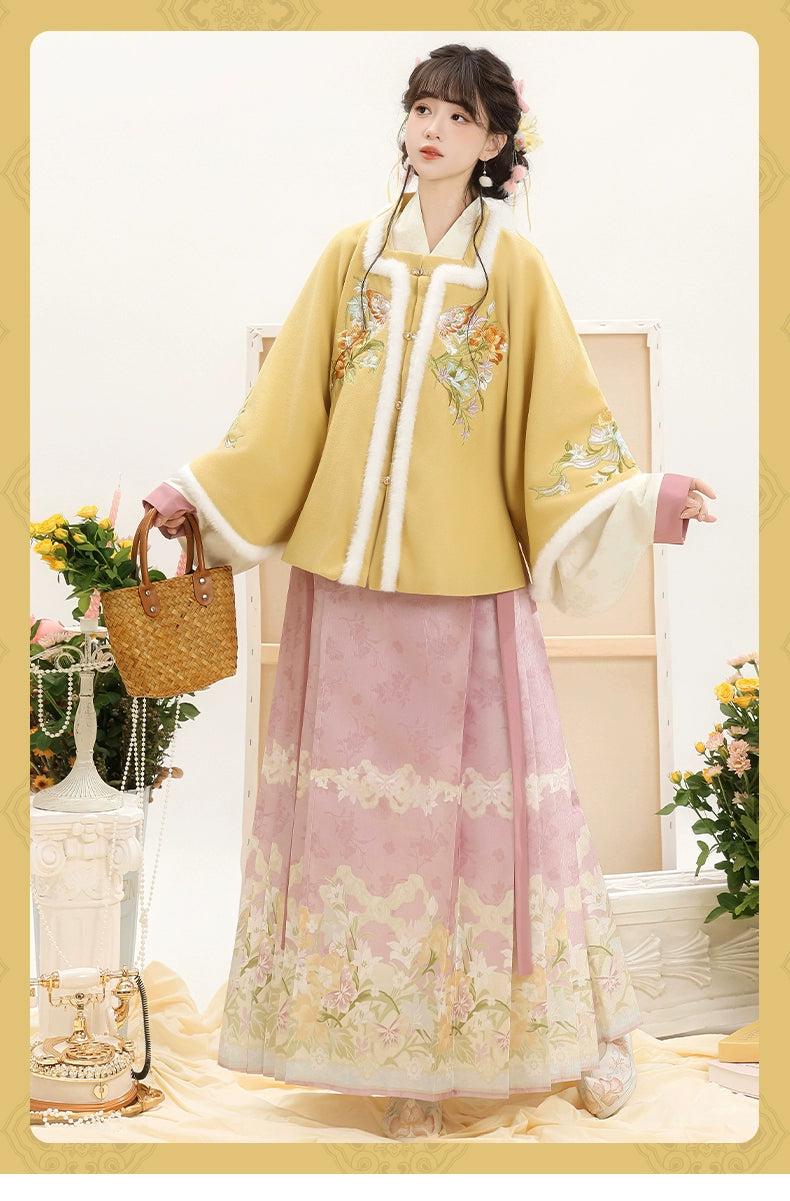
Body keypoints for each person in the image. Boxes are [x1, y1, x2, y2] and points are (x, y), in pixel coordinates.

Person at [143, 44, 716, 1138]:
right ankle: (392, 1055)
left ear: (495, 141)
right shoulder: (349, 258)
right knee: (359, 833)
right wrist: (198, 493)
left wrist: (645, 497)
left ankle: (575, 1032)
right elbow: (285, 411)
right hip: (345, 594)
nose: (431, 129)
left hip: (465, 592)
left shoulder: (516, 272)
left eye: (456, 115)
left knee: (497, 829)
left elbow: (561, 417)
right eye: (419, 108)